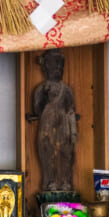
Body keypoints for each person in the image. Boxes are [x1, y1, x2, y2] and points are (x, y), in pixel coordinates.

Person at [27, 49, 77, 191]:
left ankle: (66, 181)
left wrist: (73, 130)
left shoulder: (66, 89)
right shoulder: (41, 88)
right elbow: (37, 108)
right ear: (46, 68)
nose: (57, 69)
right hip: (47, 125)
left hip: (64, 126)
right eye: (54, 66)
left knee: (66, 153)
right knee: (47, 152)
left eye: (59, 66)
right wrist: (45, 96)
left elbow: (71, 108)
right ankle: (50, 181)